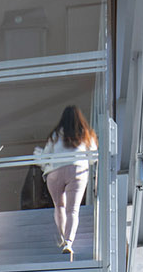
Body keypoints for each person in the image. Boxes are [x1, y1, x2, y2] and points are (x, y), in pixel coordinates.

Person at [35, 106, 98, 259]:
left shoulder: (55, 135)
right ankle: (69, 243)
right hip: (77, 171)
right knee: (73, 210)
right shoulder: (86, 134)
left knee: (59, 206)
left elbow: (45, 156)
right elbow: (94, 157)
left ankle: (63, 238)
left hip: (55, 172)